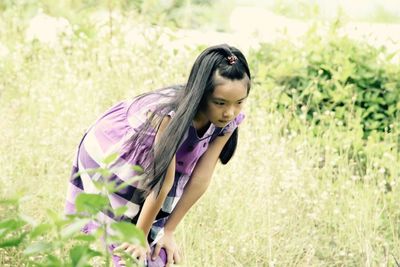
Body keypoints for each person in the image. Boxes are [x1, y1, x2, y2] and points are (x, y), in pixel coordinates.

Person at [65, 44, 251, 266]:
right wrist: (139, 238)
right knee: (126, 246)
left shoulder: (227, 123)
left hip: (157, 171)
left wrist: (168, 231)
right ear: (201, 94)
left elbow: (201, 178)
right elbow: (162, 181)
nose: (229, 112)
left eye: (239, 103)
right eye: (220, 103)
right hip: (116, 154)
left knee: (154, 246)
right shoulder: (167, 116)